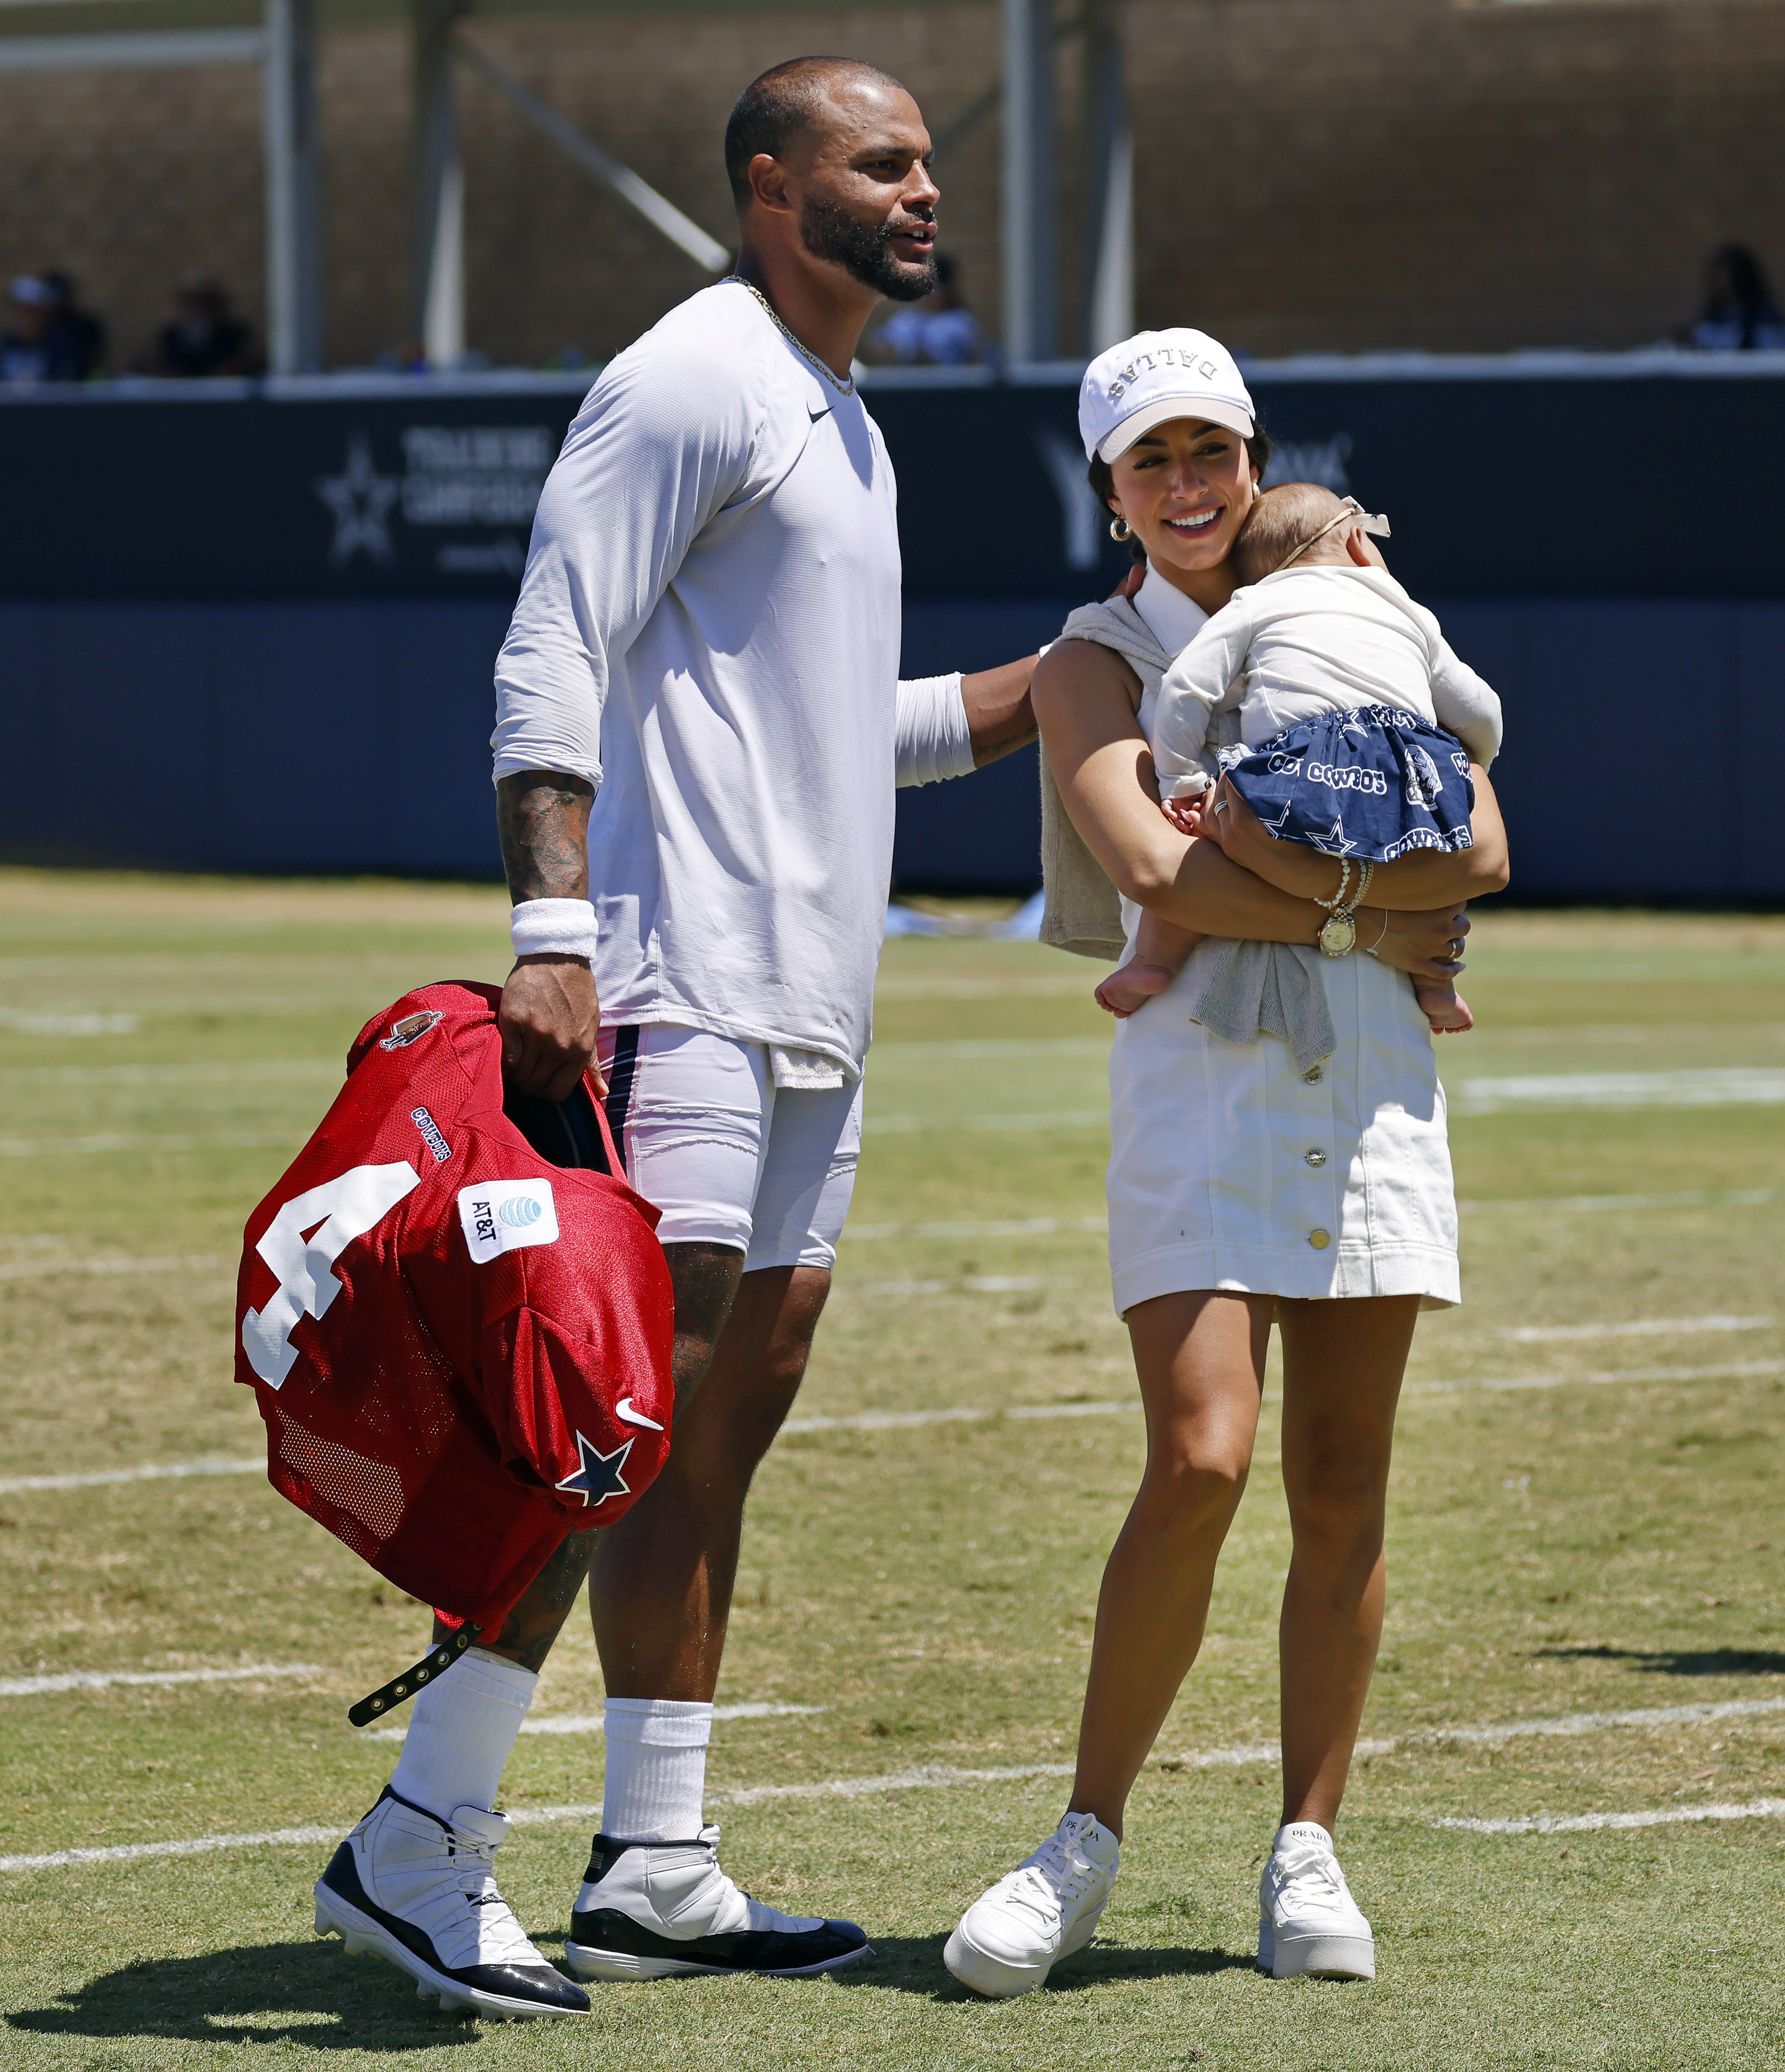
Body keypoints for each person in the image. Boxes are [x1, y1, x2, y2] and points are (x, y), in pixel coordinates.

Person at [322, 57, 1040, 2016]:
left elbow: (842, 730)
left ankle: (655, 1856)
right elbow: (555, 637)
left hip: (815, 1003)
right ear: (764, 184)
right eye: (876, 162)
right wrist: (553, 928)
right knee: (614, 1407)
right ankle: (417, 1834)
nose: (918, 189)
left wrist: (1047, 684)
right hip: (673, 980)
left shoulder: (847, 417)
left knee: (720, 1422)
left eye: (921, 163)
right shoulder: (696, 370)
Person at [945, 329, 1507, 1998]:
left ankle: (1303, 1846)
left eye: (1210, 450)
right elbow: (1149, 873)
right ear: (1108, 493)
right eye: (1148, 461)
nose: (1185, 484)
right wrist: (1370, 912)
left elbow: (1477, 839)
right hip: (1193, 1081)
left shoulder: (1367, 606)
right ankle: (1081, 1834)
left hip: (1380, 1088)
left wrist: (1324, 897)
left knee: (1342, 1483)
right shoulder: (1091, 656)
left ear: (1252, 457)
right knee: (1199, 1455)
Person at [1095, 480, 1503, 1034]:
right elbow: (1477, 705)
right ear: (1360, 544)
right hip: (1401, 767)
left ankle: (1152, 961)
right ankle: (1437, 984)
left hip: (1306, 767)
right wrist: (1471, 760)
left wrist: (1183, 779)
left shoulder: (1257, 599)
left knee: (1217, 836)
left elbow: (1188, 687)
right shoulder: (1404, 607)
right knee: (1429, 863)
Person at [862, 249, 981, 363]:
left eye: (936, 290)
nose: (930, 297)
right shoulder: (907, 319)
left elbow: (940, 359)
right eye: (926, 290)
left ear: (948, 290)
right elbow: (876, 346)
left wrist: (910, 353)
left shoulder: (961, 322)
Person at [147, 276, 258, 377]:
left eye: (204, 302)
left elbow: (243, 364)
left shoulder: (234, 333)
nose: (198, 308)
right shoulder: (171, 334)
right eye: (192, 302)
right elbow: (161, 364)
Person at [1685, 243, 1785, 352]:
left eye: (1723, 278)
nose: (1721, 285)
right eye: (1716, 278)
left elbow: (1770, 346)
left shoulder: (1766, 313)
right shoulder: (1716, 314)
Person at [1, 275, 95, 383]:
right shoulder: (9, 343)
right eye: (17, 310)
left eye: (30, 312)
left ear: (44, 314)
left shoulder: (61, 345)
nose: (22, 318)